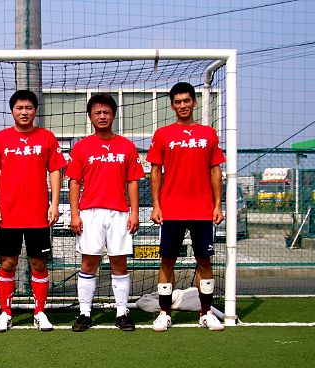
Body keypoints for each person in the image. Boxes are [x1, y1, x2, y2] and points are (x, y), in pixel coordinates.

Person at [0, 89, 66, 333]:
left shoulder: (47, 138)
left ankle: (40, 312)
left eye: (28, 108)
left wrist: (54, 204)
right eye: (19, 108)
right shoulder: (0, 138)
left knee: (38, 263)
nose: (24, 112)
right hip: (8, 214)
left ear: (35, 111)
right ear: (12, 111)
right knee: (8, 262)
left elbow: (55, 170)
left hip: (38, 214)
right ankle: (5, 313)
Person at [148, 82, 225, 332]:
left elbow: (215, 170)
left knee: (204, 261)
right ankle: (164, 313)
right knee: (167, 261)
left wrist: (217, 205)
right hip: (172, 210)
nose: (183, 105)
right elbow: (155, 171)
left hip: (202, 210)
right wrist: (156, 205)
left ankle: (206, 313)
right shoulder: (163, 134)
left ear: (194, 102)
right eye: (178, 102)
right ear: (172, 106)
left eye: (186, 100)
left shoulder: (208, 134)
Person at [65, 93, 145, 332]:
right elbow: (74, 182)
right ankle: (84, 313)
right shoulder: (81, 147)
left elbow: (132, 181)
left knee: (119, 262)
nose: (102, 116)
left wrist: (134, 213)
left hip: (119, 213)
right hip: (90, 213)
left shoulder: (126, 146)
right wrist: (74, 214)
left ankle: (121, 312)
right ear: (90, 116)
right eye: (97, 112)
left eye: (106, 112)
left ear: (114, 115)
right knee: (89, 262)